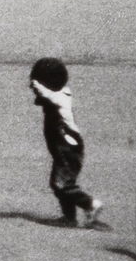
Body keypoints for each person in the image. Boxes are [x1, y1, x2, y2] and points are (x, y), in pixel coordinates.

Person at [28, 57, 105, 226]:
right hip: (65, 148)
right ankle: (69, 218)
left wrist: (36, 84)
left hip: (68, 148)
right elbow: (43, 97)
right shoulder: (60, 93)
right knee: (64, 184)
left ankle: (91, 204)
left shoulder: (59, 98)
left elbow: (47, 94)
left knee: (60, 184)